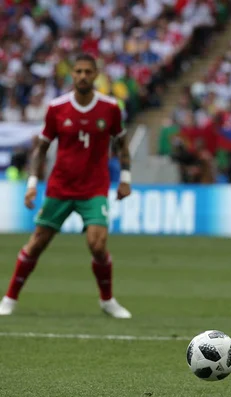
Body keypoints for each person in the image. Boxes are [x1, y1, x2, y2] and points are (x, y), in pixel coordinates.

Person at [0, 54, 133, 318]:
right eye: (78, 71)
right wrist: (32, 183)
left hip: (94, 188)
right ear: (72, 75)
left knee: (97, 245)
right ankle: (9, 299)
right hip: (60, 187)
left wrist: (126, 180)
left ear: (96, 75)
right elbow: (41, 149)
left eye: (88, 71)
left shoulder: (110, 108)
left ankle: (107, 301)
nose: (83, 76)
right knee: (37, 243)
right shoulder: (57, 107)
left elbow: (121, 145)